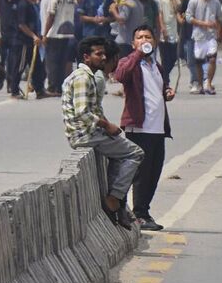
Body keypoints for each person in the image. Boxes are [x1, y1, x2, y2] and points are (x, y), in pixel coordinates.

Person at [63, 36, 142, 228]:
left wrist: (108, 127)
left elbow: (95, 109)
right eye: (98, 54)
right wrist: (107, 126)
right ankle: (114, 199)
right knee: (135, 153)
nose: (103, 57)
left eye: (103, 53)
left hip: (90, 132)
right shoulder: (84, 78)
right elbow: (83, 112)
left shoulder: (88, 76)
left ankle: (116, 201)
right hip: (85, 134)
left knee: (120, 156)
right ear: (86, 57)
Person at [114, 26, 174, 230]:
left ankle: (144, 211)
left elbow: (162, 87)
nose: (144, 40)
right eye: (139, 37)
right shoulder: (130, 62)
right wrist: (138, 53)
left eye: (148, 37)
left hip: (157, 128)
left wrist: (167, 91)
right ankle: (137, 213)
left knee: (154, 172)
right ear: (133, 44)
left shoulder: (156, 66)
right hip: (139, 128)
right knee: (141, 173)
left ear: (155, 42)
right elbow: (120, 75)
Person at [185, 0, 221, 95]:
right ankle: (200, 84)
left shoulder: (216, 2)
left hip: (211, 36)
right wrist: (203, 24)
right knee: (199, 62)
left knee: (212, 59)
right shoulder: (194, 1)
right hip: (199, 36)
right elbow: (189, 18)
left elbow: (219, 18)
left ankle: (209, 83)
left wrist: (220, 32)